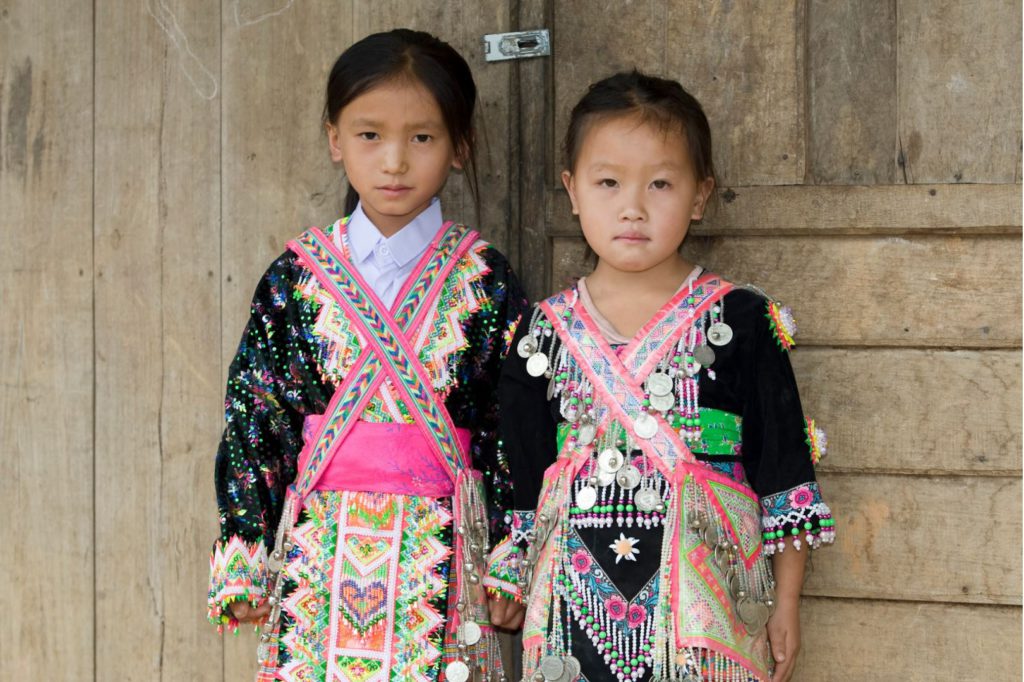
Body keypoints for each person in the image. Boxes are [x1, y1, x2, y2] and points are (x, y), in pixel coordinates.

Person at [206, 29, 528, 682]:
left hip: (442, 560)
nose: (394, 163)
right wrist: (243, 546)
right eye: (369, 135)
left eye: (423, 137)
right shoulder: (296, 277)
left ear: (459, 147)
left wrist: (510, 555)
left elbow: (509, 424)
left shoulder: (485, 280)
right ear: (335, 139)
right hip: (317, 559)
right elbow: (256, 414)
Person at [501, 71, 835, 682]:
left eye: (660, 183)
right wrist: (511, 568)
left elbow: (784, 468)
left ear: (700, 195)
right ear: (572, 191)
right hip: (569, 619)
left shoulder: (740, 319)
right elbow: (523, 475)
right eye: (608, 182)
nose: (632, 207)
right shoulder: (541, 331)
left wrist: (785, 601)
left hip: (708, 613)